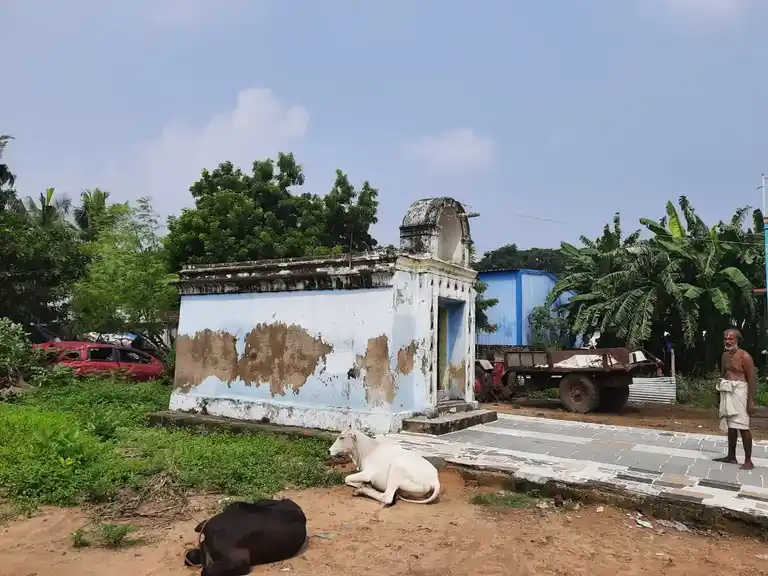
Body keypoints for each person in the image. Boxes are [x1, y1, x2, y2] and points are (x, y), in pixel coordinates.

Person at [714, 328, 757, 470]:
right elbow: (723, 374)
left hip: (740, 391)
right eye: (725, 338)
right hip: (727, 390)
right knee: (731, 426)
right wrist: (718, 394)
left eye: (730, 339)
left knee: (743, 426)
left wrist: (750, 401)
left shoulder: (745, 356)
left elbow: (752, 379)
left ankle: (748, 460)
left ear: (737, 340)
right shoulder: (724, 356)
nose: (727, 341)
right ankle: (731, 456)